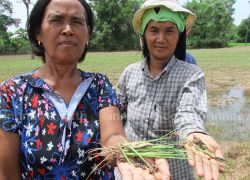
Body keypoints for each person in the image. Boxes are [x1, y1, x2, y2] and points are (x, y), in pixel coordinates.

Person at [0, 0, 170, 179]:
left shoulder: (99, 85)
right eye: (56, 20)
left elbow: (112, 135)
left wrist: (126, 153)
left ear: (87, 34)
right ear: (38, 33)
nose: (68, 29)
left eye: (77, 22)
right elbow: (7, 173)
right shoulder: (13, 92)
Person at [116, 0, 224, 179]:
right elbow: (118, 115)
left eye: (169, 31)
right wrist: (120, 145)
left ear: (179, 35)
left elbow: (188, 113)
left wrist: (193, 133)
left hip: (174, 171)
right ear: (144, 34)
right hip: (131, 168)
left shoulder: (191, 74)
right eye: (154, 30)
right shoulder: (130, 73)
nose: (160, 39)